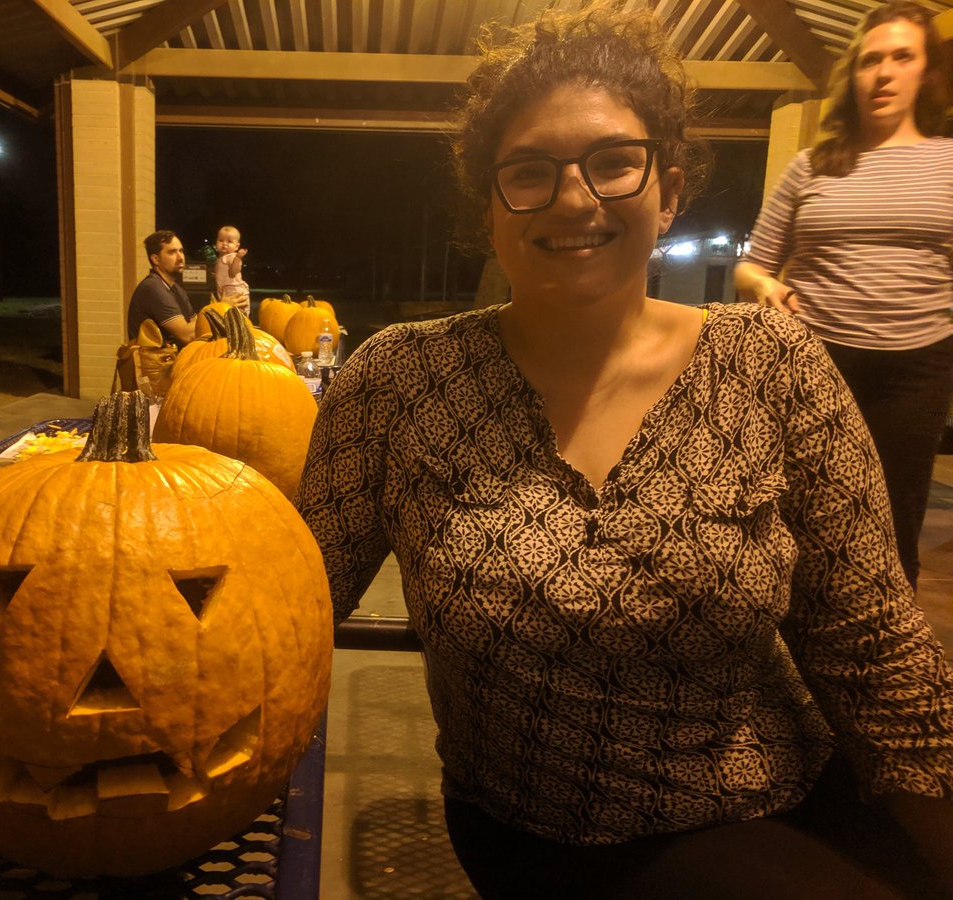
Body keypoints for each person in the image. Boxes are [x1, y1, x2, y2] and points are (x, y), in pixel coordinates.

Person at [295, 4, 953, 897]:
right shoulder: (399, 382)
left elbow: (871, 646)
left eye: (613, 162)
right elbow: (289, 612)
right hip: (549, 829)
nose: (574, 199)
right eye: (529, 172)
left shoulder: (772, 363)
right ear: (489, 209)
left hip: (786, 787)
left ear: (668, 190)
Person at [734, 0, 953, 590]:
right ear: (853, 74)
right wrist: (766, 285)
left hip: (917, 369)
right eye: (870, 60)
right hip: (818, 362)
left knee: (895, 517)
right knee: (803, 513)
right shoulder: (811, 166)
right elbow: (751, 266)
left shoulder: (949, 164)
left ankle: (888, 632)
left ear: (927, 72)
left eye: (902, 57)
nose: (883, 73)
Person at [127, 230, 196, 347]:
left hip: (178, 356)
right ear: (156, 259)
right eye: (172, 252)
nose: (180, 257)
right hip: (158, 358)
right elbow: (187, 336)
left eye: (181, 251)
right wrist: (214, 311)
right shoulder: (152, 288)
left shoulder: (176, 289)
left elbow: (197, 327)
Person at [214, 225, 251, 316]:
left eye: (229, 241)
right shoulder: (221, 258)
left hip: (233, 290)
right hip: (227, 289)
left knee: (235, 315)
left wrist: (238, 258)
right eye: (221, 240)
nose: (224, 244)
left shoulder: (232, 257)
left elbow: (233, 272)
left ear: (236, 246)